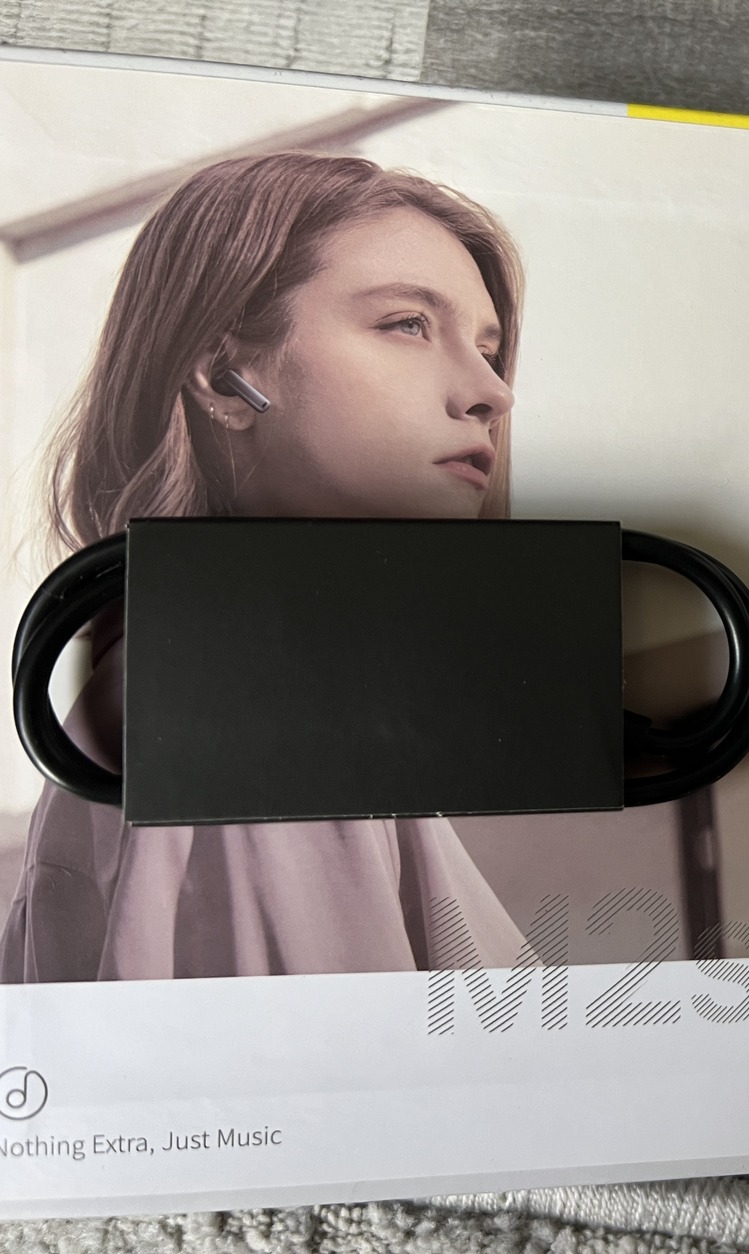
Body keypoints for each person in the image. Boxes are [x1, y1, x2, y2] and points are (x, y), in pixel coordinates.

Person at [1, 151, 529, 981]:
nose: (492, 393)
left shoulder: (242, 675)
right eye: (407, 324)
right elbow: (338, 1062)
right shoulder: (239, 691)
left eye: (489, 350)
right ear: (223, 377)